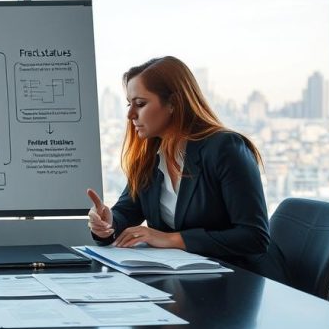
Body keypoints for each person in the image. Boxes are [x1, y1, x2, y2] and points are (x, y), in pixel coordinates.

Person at [86, 56, 269, 270]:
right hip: (182, 280)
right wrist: (106, 224)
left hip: (238, 280)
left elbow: (254, 237)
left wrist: (172, 239)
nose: (130, 114)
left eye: (140, 104)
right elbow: (125, 213)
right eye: (129, 104)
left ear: (173, 103)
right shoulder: (150, 158)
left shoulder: (224, 148)